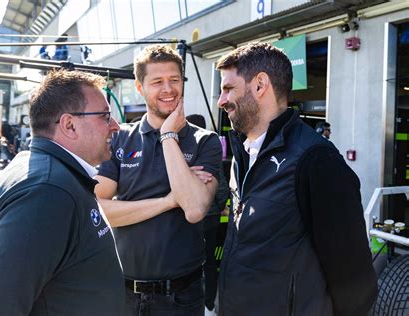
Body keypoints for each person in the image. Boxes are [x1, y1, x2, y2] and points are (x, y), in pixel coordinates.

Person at [215, 42, 377, 316]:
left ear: (259, 85)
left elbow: (354, 283)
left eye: (228, 88)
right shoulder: (243, 154)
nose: (221, 100)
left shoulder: (317, 161)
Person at [0, 69, 125, 315]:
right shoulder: (47, 194)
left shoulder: (43, 172)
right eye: (105, 116)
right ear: (69, 125)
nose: (116, 126)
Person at [95, 45, 223, 315]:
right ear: (140, 88)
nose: (168, 88)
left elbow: (195, 208)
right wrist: (168, 201)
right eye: (157, 82)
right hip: (123, 293)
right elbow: (99, 209)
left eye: (174, 80)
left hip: (181, 296)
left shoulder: (205, 141)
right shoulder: (119, 138)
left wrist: (168, 136)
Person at [186, 114, 229, 315]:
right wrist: (217, 205)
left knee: (194, 259)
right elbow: (222, 186)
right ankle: (209, 303)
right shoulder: (212, 151)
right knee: (209, 260)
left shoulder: (186, 150)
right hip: (211, 216)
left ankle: (202, 301)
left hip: (194, 216)